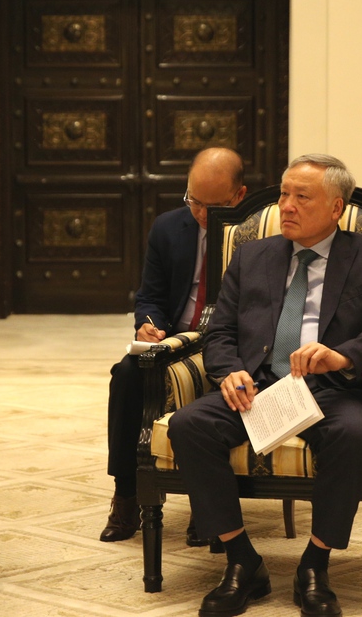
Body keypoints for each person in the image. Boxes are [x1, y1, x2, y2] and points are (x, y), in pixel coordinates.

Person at [167, 154, 362, 617]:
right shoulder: (252, 255)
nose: (287, 206)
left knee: (352, 435)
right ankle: (242, 560)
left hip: (330, 388)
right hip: (258, 387)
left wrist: (342, 355)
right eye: (284, 194)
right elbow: (219, 330)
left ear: (336, 207)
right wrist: (229, 371)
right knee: (188, 424)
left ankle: (315, 565)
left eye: (302, 197)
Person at [101, 147, 247, 543]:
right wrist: (148, 326)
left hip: (228, 345)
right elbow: (149, 296)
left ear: (239, 196)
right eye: (193, 201)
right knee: (127, 376)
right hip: (176, 341)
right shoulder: (168, 227)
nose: (201, 214)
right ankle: (127, 494)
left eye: (214, 206)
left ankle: (208, 504)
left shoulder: (257, 234)